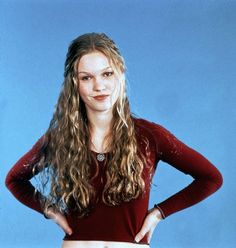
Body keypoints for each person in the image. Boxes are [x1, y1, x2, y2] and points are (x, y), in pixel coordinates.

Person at [5, 32, 223, 248]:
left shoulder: (150, 136)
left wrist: (159, 213)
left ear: (120, 74)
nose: (99, 86)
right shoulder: (60, 137)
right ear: (75, 85)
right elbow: (14, 180)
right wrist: (51, 211)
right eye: (86, 77)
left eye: (107, 74)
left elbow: (211, 178)